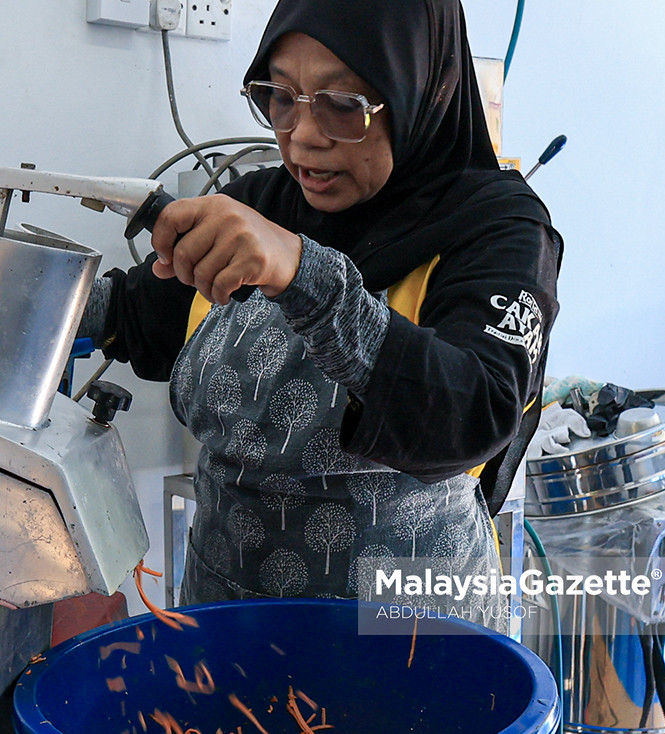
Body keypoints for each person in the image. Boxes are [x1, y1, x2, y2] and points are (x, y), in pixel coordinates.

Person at [79, 0, 561, 625]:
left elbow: (475, 409)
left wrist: (305, 275)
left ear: (417, 93)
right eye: (282, 96)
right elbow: (141, 315)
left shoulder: (499, 230)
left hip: (409, 643)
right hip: (229, 625)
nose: (302, 134)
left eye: (344, 105)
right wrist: (8, 299)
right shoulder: (260, 203)